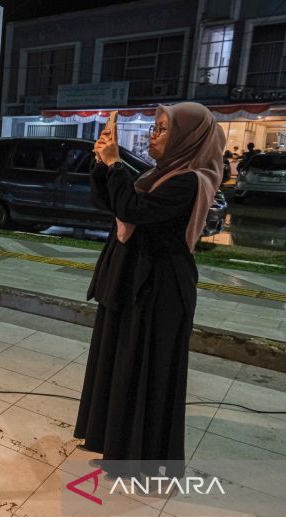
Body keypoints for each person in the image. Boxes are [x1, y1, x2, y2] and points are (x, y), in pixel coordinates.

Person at [74, 102, 225, 479]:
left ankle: (140, 462)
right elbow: (113, 202)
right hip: (134, 280)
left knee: (144, 372)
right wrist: (102, 163)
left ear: (188, 138)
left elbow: (135, 209)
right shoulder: (162, 174)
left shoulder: (191, 180)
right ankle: (117, 447)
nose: (152, 136)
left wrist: (114, 164)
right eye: (154, 128)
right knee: (122, 365)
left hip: (159, 288)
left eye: (162, 130)